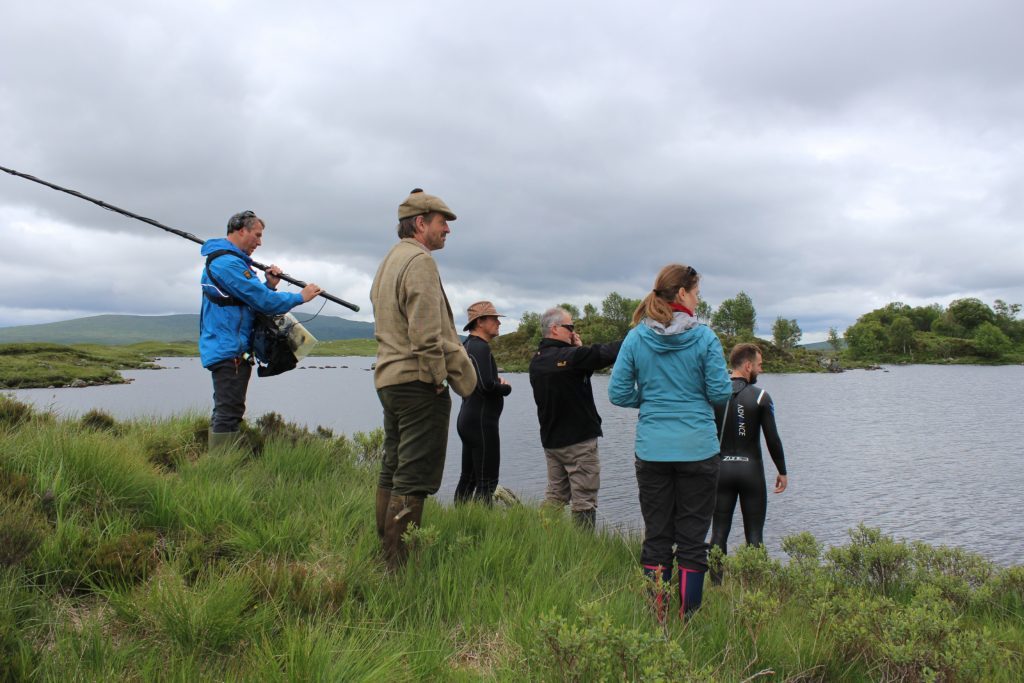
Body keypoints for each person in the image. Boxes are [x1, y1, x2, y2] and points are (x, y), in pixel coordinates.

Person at [608, 264, 732, 620]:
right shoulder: (705, 338)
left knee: (657, 536)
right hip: (698, 449)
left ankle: (656, 617)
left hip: (652, 450)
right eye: (696, 293)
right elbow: (721, 391)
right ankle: (687, 620)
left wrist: (650, 400)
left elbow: (618, 392)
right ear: (682, 294)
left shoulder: (636, 337)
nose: (698, 299)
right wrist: (692, 399)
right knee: (694, 539)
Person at [370, 188, 477, 571]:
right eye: (441, 221)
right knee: (413, 477)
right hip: (417, 382)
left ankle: (384, 556)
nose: (447, 229)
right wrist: (436, 378)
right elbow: (426, 333)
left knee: (393, 467)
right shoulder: (420, 261)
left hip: (390, 379)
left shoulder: (389, 261)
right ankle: (398, 569)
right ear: (420, 223)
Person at [199, 210, 321, 452]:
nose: (260, 242)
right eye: (257, 235)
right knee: (229, 412)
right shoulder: (227, 263)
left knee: (230, 409)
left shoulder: (232, 262)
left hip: (231, 348)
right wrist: (300, 296)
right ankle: (219, 469)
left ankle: (222, 464)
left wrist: (269, 284)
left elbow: (249, 300)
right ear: (241, 230)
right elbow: (263, 301)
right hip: (229, 350)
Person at [529, 307, 621, 529]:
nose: (573, 332)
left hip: (552, 443)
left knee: (556, 495)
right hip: (578, 442)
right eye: (570, 327)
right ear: (554, 329)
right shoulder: (568, 357)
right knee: (584, 499)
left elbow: (573, 376)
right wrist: (637, 338)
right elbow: (603, 353)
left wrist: (577, 350)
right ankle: (583, 548)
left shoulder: (538, 360)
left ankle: (539, 536)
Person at [710, 343, 788, 583]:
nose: (760, 370)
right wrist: (782, 471)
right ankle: (756, 589)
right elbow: (772, 438)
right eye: (759, 365)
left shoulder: (714, 393)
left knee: (719, 532)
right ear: (747, 365)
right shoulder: (761, 396)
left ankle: (715, 585)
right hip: (750, 471)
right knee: (754, 534)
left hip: (721, 470)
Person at [454, 301, 512, 505]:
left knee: (468, 478)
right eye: (494, 318)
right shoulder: (479, 347)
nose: (498, 323)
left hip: (469, 419)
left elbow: (477, 382)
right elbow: (486, 385)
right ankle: (482, 528)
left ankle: (460, 520)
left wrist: (495, 383)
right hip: (481, 422)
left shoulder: (467, 345)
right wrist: (505, 387)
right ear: (480, 322)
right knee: (487, 482)